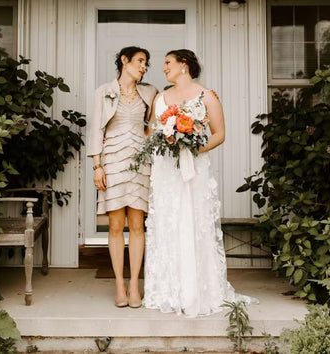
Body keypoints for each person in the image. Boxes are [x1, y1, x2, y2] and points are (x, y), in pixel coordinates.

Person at [143, 49, 255, 317]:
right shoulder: (160, 98)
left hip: (194, 169)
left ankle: (198, 290)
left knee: (193, 222)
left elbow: (219, 134)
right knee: (168, 223)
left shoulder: (207, 95)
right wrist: (166, 142)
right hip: (166, 171)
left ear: (184, 65)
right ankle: (169, 290)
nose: (164, 68)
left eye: (168, 63)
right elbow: (150, 133)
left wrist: (192, 149)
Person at [87, 46, 157, 308]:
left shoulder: (150, 92)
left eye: (146, 64)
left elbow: (157, 121)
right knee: (116, 226)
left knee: (137, 225)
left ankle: (135, 284)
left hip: (140, 162)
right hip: (112, 160)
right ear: (124, 61)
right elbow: (96, 129)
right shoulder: (103, 91)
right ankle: (119, 284)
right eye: (139, 61)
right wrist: (97, 165)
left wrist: (203, 96)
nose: (143, 67)